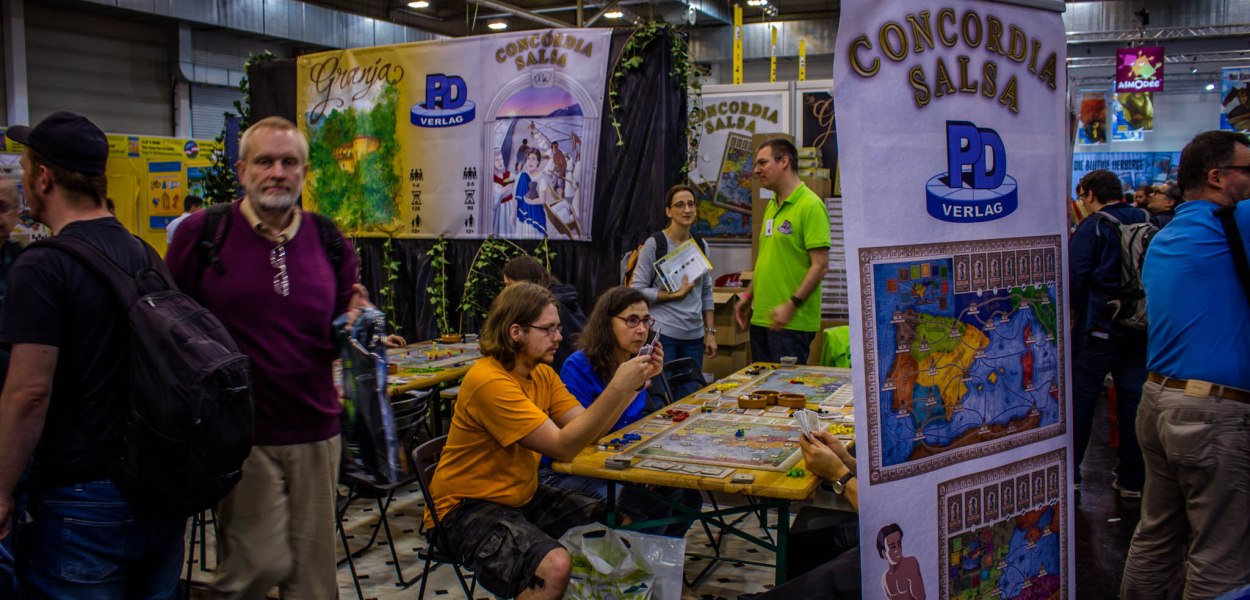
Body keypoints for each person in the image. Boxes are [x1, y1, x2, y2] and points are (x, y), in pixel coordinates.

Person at [165, 116, 371, 598]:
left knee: (314, 586)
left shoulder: (328, 240)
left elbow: (343, 322)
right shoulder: (203, 234)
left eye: (289, 162)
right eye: (264, 161)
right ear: (242, 170)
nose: (277, 172)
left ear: (304, 173)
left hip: (316, 431)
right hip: (241, 438)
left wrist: (356, 320)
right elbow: (170, 325)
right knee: (252, 572)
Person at [0, 111, 186, 597]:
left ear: (44, 178)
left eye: (25, 169)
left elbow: (29, 391)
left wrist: (0, 491)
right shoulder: (144, 255)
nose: (23, 181)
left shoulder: (42, 267)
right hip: (156, 488)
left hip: (81, 500)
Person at [424, 282, 663, 600]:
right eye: (548, 329)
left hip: (521, 495)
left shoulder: (542, 374)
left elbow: (588, 430)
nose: (559, 337)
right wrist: (618, 386)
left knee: (616, 522)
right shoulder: (489, 381)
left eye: (558, 328)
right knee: (555, 566)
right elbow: (563, 446)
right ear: (516, 332)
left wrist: (635, 385)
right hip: (464, 509)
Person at [1121, 130, 1250, 600]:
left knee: (1156, 537)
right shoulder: (1236, 221)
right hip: (1213, 412)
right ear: (1217, 177)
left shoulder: (1166, 237)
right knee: (1221, 558)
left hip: (1158, 401)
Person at [543, 287, 702, 537]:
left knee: (688, 498)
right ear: (607, 323)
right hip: (571, 469)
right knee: (652, 507)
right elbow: (585, 439)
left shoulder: (633, 362)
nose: (641, 329)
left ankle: (657, 558)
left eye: (646, 321)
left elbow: (629, 426)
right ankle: (634, 559)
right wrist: (624, 386)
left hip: (615, 461)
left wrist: (642, 382)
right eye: (631, 320)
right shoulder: (579, 365)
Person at [1068, 169, 1147, 499]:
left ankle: (1070, 473)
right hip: (1140, 326)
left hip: (1099, 327)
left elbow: (1074, 278)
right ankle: (1132, 479)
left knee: (1082, 401)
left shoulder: (1093, 227)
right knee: (1132, 402)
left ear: (1090, 194)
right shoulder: (1145, 219)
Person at [734, 138, 831, 363]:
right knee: (761, 384)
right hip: (761, 318)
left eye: (762, 163)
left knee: (786, 386)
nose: (756, 170)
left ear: (784, 161)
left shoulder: (811, 206)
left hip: (791, 322)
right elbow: (767, 259)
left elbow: (820, 265)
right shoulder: (772, 205)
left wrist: (791, 304)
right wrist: (748, 296)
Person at [740, 430, 861, 600]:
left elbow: (882, 518)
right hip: (873, 526)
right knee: (801, 546)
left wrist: (839, 473)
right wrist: (845, 461)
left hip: (891, 538)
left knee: (837, 576)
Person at [629, 184, 716, 408]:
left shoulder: (701, 245)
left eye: (691, 204)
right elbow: (636, 289)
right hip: (664, 335)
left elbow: (706, 291)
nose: (686, 210)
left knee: (689, 403)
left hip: (694, 337)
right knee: (661, 402)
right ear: (669, 211)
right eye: (680, 205)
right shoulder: (655, 244)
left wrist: (710, 333)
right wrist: (671, 295)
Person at [504, 255, 586, 372]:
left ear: (525, 283)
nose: (505, 291)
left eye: (509, 284)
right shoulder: (564, 301)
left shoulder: (549, 309)